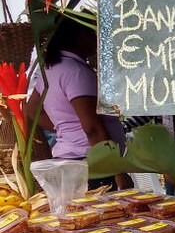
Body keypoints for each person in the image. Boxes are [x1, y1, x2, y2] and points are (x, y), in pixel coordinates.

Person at [25, 15, 127, 186]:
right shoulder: (76, 72)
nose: (96, 39)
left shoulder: (51, 69)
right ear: (79, 36)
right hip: (91, 164)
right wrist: (117, 172)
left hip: (69, 160)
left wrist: (64, 128)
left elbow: (32, 110)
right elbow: (92, 128)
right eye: (91, 33)